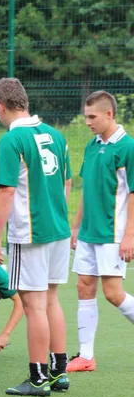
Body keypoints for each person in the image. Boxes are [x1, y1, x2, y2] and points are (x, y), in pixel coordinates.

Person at [0, 77, 72, 397]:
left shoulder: (11, 141)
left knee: (33, 304)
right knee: (50, 300)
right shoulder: (56, 135)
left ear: (0, 107)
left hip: (31, 233)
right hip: (59, 230)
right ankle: (59, 372)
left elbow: (7, 192)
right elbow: (66, 183)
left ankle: (38, 378)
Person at [68, 91, 134, 372]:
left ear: (109, 114)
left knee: (113, 293)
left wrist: (130, 235)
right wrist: (76, 225)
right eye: (86, 116)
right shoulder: (92, 146)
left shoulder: (128, 147)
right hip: (88, 233)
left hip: (112, 234)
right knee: (84, 286)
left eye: (92, 116)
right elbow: (87, 190)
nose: (87, 122)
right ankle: (86, 356)